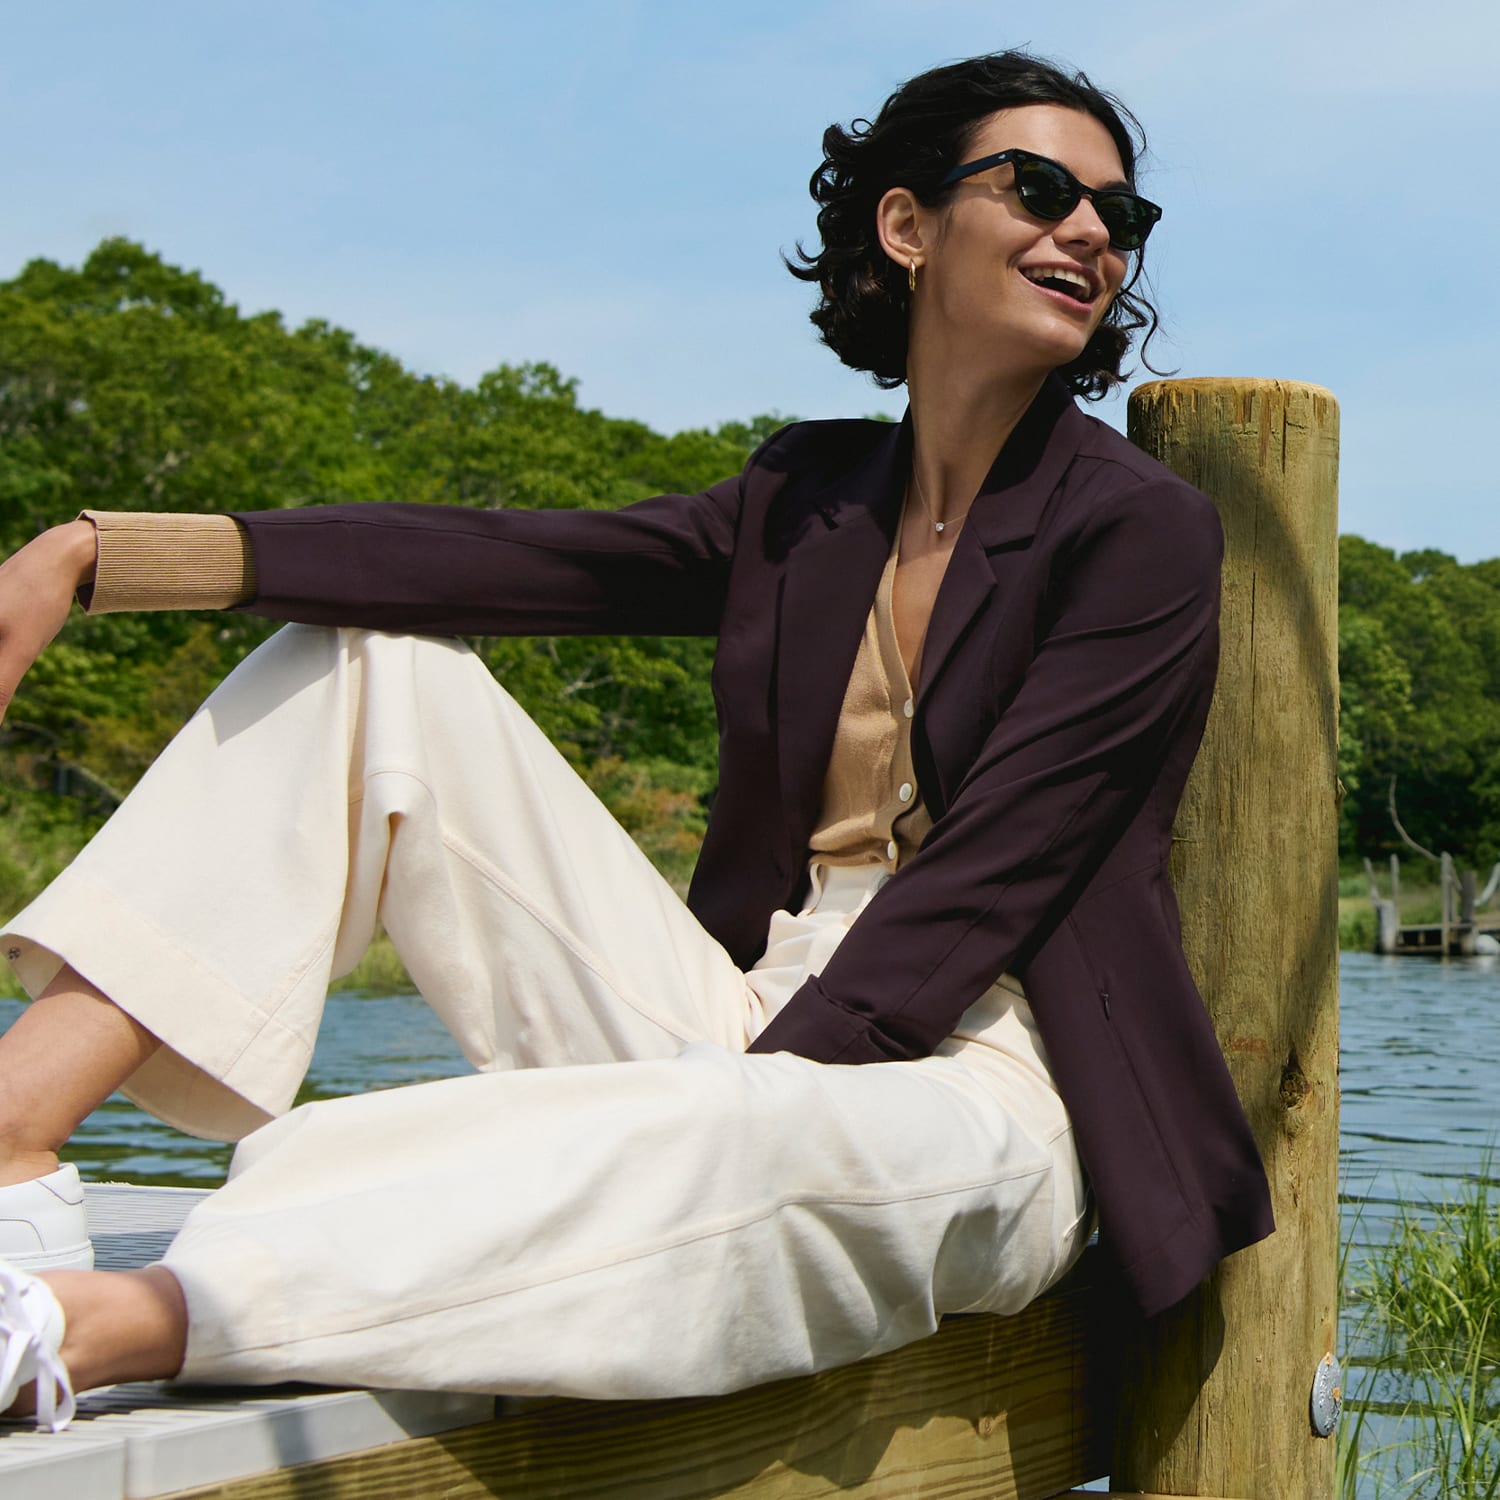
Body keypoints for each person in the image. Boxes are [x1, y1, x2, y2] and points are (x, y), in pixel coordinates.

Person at [0, 50, 1272, 1432]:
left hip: (992, 1072)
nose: (1089, 231)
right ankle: (13, 1162)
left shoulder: (1137, 529)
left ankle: (92, 1326)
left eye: (1118, 215)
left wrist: (739, 1094)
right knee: (366, 667)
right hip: (735, 1003)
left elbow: (998, 875)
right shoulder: (809, 495)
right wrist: (100, 555)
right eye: (1040, 189)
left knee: (748, 1134)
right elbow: (500, 561)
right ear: (907, 229)